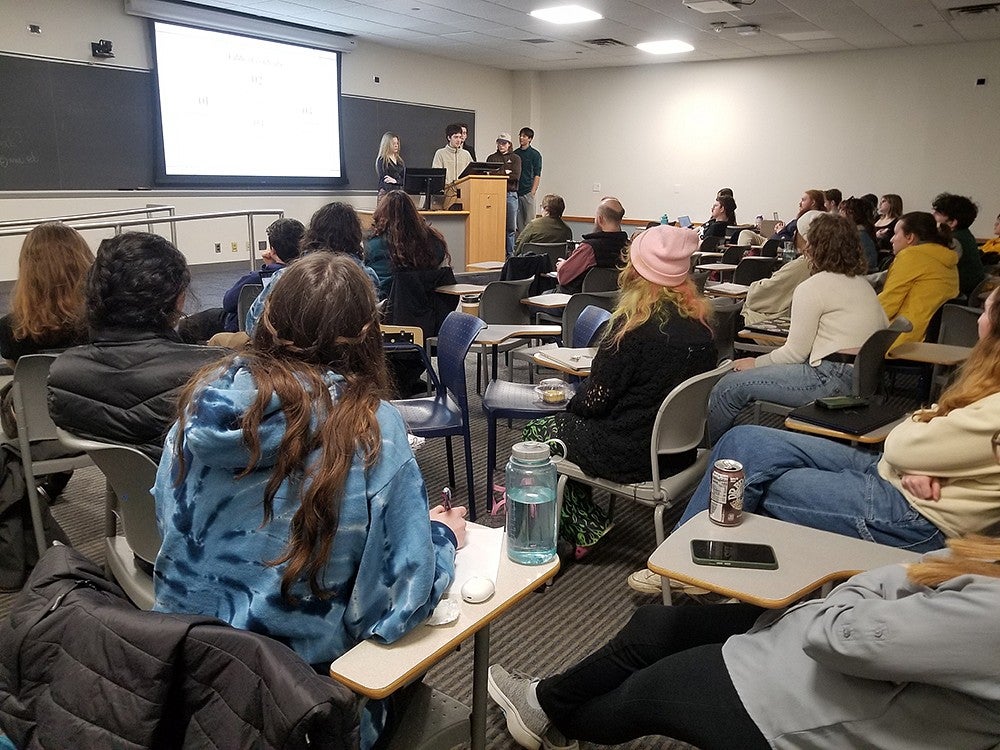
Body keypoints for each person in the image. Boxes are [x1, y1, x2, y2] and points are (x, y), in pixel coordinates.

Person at [153, 253, 466, 750]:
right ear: (369, 333)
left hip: (184, 682)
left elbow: (171, 533)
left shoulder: (199, 411)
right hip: (304, 709)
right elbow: (390, 609)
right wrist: (443, 537)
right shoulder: (373, 430)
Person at [487, 529, 1000, 750]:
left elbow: (839, 637)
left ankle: (550, 711)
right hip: (824, 649)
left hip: (800, 706)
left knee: (643, 695)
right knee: (657, 626)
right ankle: (540, 702)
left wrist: (884, 579)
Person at [678, 285, 1000, 552]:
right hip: (898, 476)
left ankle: (687, 559)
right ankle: (689, 551)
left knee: (749, 481)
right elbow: (926, 435)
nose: (977, 321)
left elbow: (902, 442)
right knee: (743, 440)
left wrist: (917, 456)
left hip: (914, 517)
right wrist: (925, 462)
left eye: (985, 312)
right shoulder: (989, 386)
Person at [521, 225, 717, 554]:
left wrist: (570, 404)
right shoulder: (702, 330)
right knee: (571, 430)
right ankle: (584, 518)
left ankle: (586, 528)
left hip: (631, 453)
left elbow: (594, 402)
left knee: (542, 432)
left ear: (636, 271)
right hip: (679, 452)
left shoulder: (632, 331)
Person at [707, 213, 888, 441]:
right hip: (863, 378)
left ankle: (709, 454)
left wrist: (754, 363)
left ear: (812, 247)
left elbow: (794, 353)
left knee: (727, 387)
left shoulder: (812, 287)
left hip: (830, 380)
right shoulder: (863, 285)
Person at [47, 232, 223, 460]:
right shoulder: (215, 372)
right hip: (199, 491)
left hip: (128, 488)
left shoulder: (63, 376)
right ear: (178, 297)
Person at [244, 202, 378, 333]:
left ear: (312, 234)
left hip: (294, 353)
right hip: (350, 353)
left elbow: (254, 327)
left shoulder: (285, 276)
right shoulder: (368, 277)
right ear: (356, 236)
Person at [178, 217, 304, 343]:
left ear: (273, 250)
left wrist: (268, 268)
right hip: (291, 335)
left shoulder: (257, 278)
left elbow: (228, 302)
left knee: (187, 325)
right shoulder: (311, 277)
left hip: (242, 329)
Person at [0, 223, 93, 363]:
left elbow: (21, 375)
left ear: (27, 269)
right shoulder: (102, 321)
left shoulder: (9, 328)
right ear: (83, 261)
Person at [878, 211, 959, 350]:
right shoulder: (945, 257)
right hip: (927, 338)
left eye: (896, 234)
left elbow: (887, 305)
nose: (891, 239)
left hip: (900, 337)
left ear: (910, 238)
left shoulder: (911, 256)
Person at [740, 209, 823, 325]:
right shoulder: (832, 265)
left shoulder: (805, 265)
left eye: (796, 231)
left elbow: (761, 295)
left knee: (725, 314)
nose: (794, 235)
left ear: (806, 239)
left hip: (781, 325)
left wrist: (754, 287)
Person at [365, 189, 450, 300]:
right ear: (413, 213)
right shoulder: (434, 241)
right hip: (426, 308)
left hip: (386, 310)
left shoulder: (372, 245)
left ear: (381, 215)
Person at [556, 197, 627, 294]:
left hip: (577, 302)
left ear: (599, 219)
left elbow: (563, 277)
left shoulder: (589, 248)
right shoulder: (629, 247)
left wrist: (562, 266)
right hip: (614, 303)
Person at [932, 192, 985, 297]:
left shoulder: (954, 241)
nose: (933, 216)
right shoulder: (965, 234)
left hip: (960, 295)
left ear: (952, 222)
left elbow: (938, 269)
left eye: (938, 213)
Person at [737, 190, 824, 246]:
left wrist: (781, 231)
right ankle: (744, 254)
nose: (800, 203)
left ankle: (745, 259)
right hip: (770, 240)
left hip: (776, 245)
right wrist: (781, 229)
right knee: (745, 233)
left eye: (803, 200)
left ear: (813, 203)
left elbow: (791, 244)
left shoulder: (809, 220)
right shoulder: (801, 218)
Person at [486, 132, 522, 257]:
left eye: (504, 143)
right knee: (494, 226)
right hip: (494, 195)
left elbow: (515, 177)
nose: (501, 145)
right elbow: (488, 175)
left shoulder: (516, 158)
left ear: (509, 144)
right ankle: (495, 253)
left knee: (511, 227)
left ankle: (510, 254)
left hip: (510, 195)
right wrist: (505, 172)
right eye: (499, 143)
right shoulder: (491, 158)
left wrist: (499, 173)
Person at [431, 123, 472, 209]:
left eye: (460, 137)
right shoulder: (440, 153)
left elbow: (472, 173)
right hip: (447, 192)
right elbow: (437, 175)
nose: (458, 140)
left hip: (464, 193)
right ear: (449, 138)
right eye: (455, 137)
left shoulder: (466, 154)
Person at [514, 127, 542, 234]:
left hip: (528, 192)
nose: (521, 138)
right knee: (519, 224)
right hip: (516, 192)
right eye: (520, 135)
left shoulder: (535, 155)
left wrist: (533, 192)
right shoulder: (515, 154)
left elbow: (537, 174)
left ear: (530, 139)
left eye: (524, 136)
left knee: (530, 223)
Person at [839, 195, 879, 270]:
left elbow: (867, 264)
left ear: (852, 213)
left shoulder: (860, 235)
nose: (840, 213)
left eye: (842, 210)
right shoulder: (859, 232)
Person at [374, 131, 405, 201]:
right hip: (386, 194)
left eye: (397, 143)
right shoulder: (382, 160)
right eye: (393, 144)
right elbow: (386, 179)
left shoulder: (400, 161)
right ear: (387, 145)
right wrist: (397, 181)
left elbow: (404, 178)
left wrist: (396, 181)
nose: (396, 145)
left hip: (399, 194)